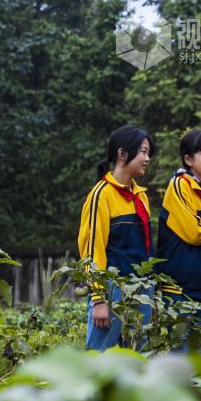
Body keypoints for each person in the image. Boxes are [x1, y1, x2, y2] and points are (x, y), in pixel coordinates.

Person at [79, 125, 156, 351]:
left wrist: (151, 288)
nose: (147, 158)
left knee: (137, 361)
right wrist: (98, 299)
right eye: (142, 152)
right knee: (99, 360)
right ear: (122, 154)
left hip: (142, 290)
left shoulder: (140, 196)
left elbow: (146, 246)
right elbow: (92, 250)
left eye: (148, 153)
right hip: (112, 290)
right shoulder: (101, 195)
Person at [157, 130, 201, 352]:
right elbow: (194, 233)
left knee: (200, 356)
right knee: (181, 355)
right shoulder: (179, 185)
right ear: (188, 159)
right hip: (179, 288)